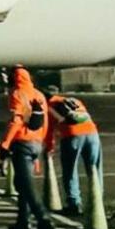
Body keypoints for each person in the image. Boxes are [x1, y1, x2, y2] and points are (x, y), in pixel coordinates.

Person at [1, 66, 53, 229]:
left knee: (26, 185)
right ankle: (22, 222)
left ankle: (43, 219)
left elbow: (16, 121)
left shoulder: (17, 94)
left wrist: (5, 143)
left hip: (22, 142)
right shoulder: (39, 94)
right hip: (36, 142)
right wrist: (42, 144)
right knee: (23, 184)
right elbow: (45, 123)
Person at [46, 84, 101, 218]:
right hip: (92, 133)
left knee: (70, 170)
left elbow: (49, 129)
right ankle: (97, 202)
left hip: (72, 135)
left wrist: (49, 147)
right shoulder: (74, 100)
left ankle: (74, 204)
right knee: (94, 168)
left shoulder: (48, 106)